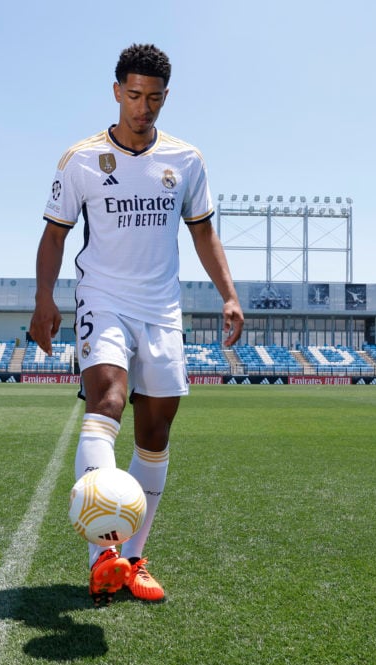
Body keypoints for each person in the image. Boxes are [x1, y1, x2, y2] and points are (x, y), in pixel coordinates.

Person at [29, 44, 244, 606]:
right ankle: (103, 552)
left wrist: (229, 295)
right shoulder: (80, 159)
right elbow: (55, 235)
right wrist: (43, 299)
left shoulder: (187, 160)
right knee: (107, 400)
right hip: (103, 297)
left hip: (162, 308)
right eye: (133, 95)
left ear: (165, 97)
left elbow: (203, 232)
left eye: (153, 98)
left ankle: (132, 558)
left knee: (155, 431)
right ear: (116, 92)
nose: (142, 107)